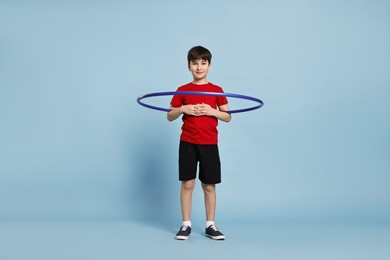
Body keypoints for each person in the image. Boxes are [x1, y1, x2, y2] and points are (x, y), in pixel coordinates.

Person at [167, 46, 231, 240]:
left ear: (209, 66)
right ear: (189, 66)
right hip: (187, 143)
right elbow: (170, 115)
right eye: (195, 63)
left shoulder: (216, 91)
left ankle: (210, 225)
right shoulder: (182, 90)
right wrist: (183, 108)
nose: (199, 67)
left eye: (203, 63)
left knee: (209, 185)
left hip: (209, 144)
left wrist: (212, 111)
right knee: (187, 183)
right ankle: (185, 224)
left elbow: (227, 117)